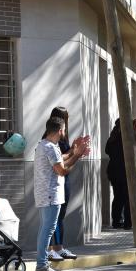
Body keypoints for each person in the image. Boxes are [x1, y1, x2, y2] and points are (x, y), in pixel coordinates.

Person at [34, 117, 87, 271]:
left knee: (45, 229)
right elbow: (62, 170)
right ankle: (42, 265)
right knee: (47, 230)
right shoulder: (50, 147)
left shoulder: (45, 145)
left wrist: (72, 151)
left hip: (45, 195)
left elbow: (60, 159)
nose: (65, 132)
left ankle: (42, 263)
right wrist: (77, 155)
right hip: (50, 195)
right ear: (59, 130)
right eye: (64, 129)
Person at [47, 106, 87, 262]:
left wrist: (74, 151)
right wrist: (74, 153)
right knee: (54, 217)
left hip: (63, 181)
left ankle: (59, 247)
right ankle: (51, 249)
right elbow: (60, 162)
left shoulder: (61, 138)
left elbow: (64, 158)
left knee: (60, 215)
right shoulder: (51, 141)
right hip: (56, 183)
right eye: (66, 119)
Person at [105, 119, 131, 230]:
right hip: (124, 171)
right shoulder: (126, 138)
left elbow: (107, 151)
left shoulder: (112, 138)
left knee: (118, 197)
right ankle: (127, 223)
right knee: (127, 197)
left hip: (113, 171)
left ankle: (116, 221)